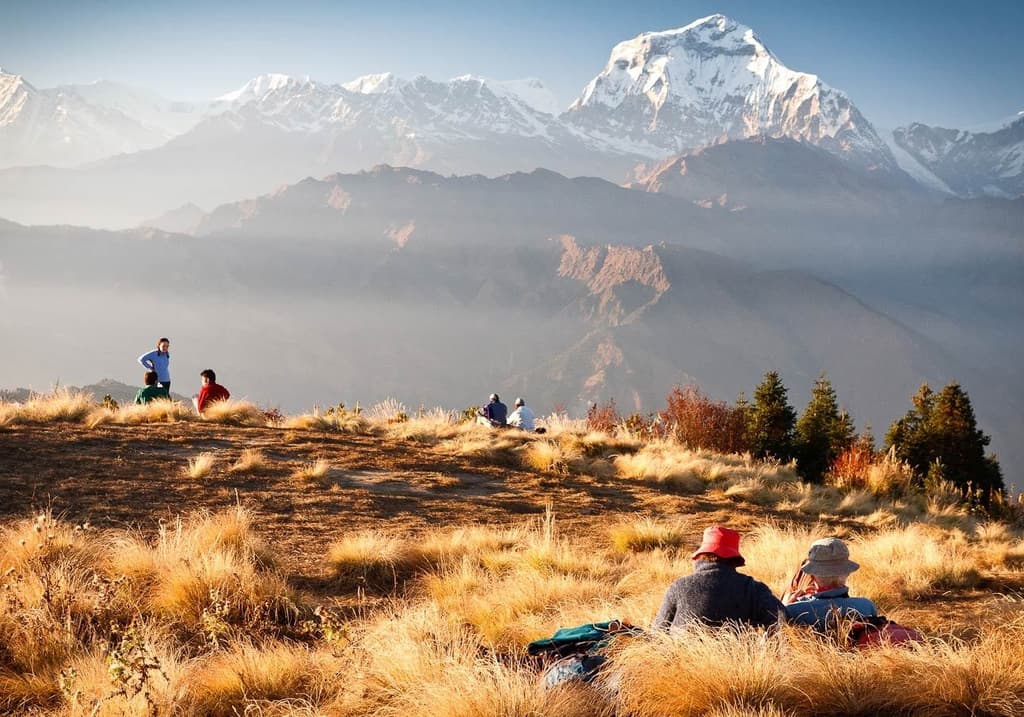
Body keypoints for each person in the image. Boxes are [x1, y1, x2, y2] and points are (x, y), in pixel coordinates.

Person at [652, 526, 783, 630]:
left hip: (679, 661)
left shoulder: (678, 586)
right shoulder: (751, 588)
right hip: (734, 661)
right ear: (734, 559)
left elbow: (658, 634)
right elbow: (782, 619)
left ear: (701, 555)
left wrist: (633, 631)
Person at [782, 537, 878, 632]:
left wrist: (782, 609)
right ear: (848, 572)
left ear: (811, 576)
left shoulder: (793, 611)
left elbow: (771, 640)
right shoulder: (867, 606)